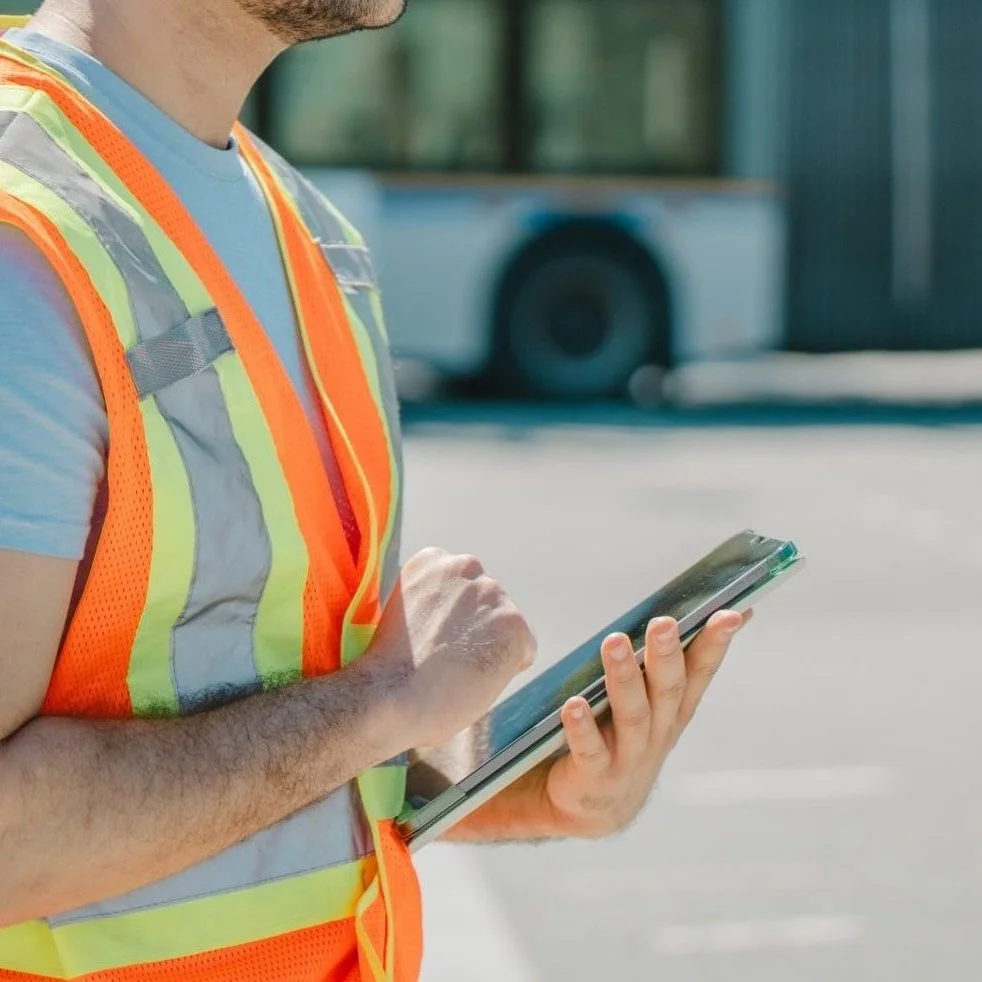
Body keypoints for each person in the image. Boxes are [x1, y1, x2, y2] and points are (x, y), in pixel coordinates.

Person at [0, 2, 751, 979]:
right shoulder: (24, 247)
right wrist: (389, 701)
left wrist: (532, 786)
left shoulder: (306, 230)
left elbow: (271, 741)